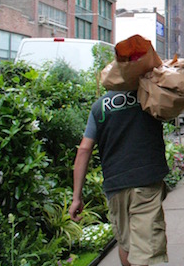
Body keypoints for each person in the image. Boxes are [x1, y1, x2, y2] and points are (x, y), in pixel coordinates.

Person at [69, 90, 170, 266]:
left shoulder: (99, 107)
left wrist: (76, 197)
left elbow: (84, 149)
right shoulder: (149, 96)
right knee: (144, 245)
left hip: (115, 184)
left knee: (125, 242)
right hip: (145, 180)